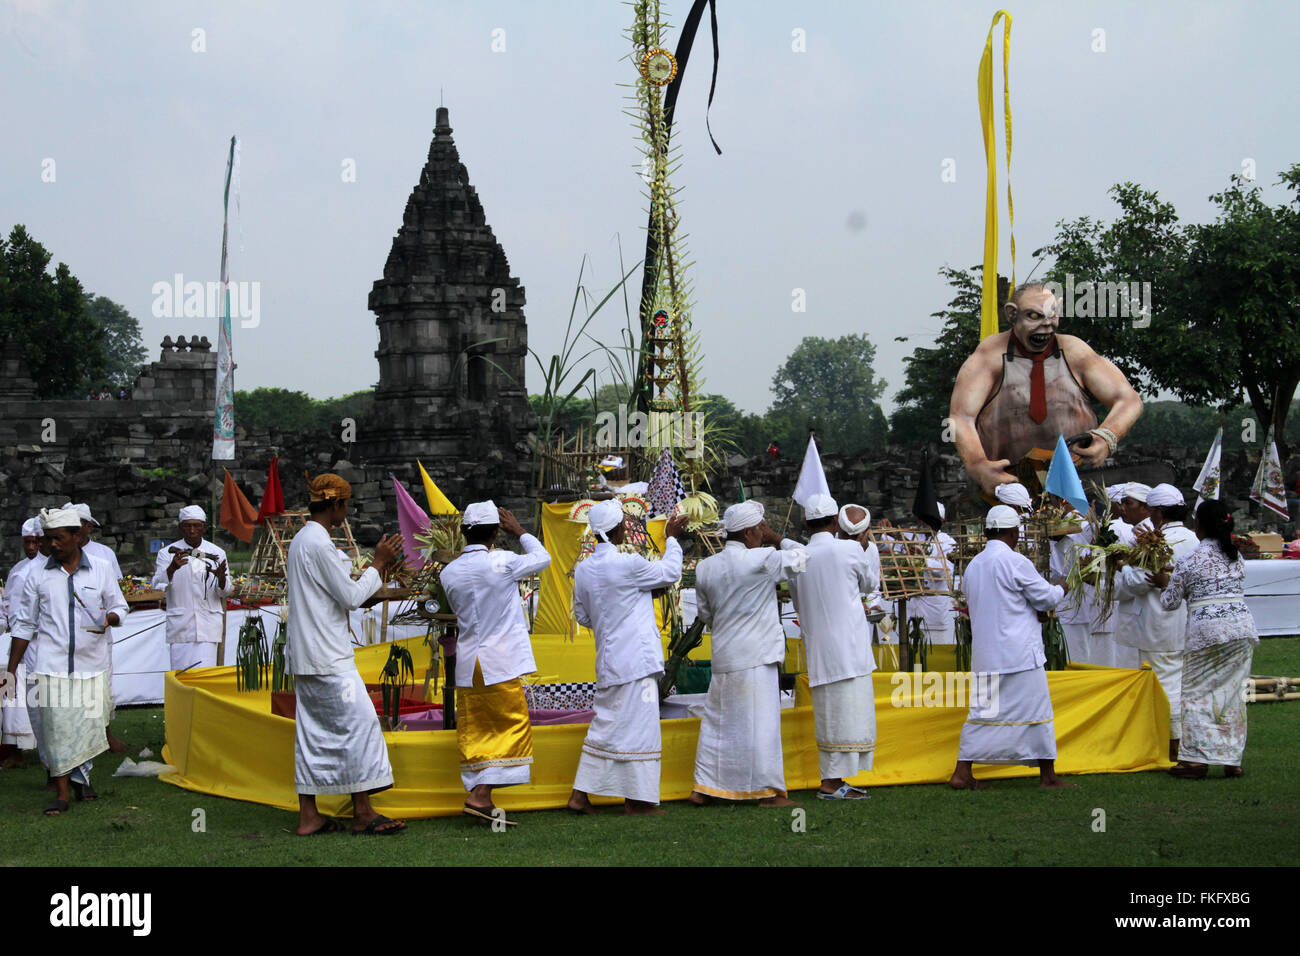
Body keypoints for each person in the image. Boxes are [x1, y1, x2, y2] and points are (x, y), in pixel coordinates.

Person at [285, 473, 406, 836]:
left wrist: (374, 574)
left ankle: (311, 815)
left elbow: (340, 593)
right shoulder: (318, 543)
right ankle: (363, 812)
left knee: (313, 733)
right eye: (346, 505)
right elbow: (352, 598)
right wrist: (379, 563)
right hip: (327, 656)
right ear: (337, 505)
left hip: (309, 654)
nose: (347, 511)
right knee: (361, 725)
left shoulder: (303, 540)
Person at [949, 281, 1143, 495]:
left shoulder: (1074, 351)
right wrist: (978, 465)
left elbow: (1129, 400)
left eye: (1052, 314)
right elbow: (960, 418)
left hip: (1076, 485)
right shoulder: (989, 357)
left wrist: (1106, 437)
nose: (1047, 325)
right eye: (1034, 316)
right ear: (1012, 314)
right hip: (1008, 488)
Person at [567, 500, 687, 816]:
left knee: (608, 725)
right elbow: (671, 571)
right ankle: (639, 802)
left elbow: (583, 616)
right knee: (640, 728)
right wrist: (672, 537)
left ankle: (582, 796)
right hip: (636, 660)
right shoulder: (629, 563)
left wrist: (619, 611)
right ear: (620, 529)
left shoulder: (584, 569)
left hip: (610, 659)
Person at [5, 508, 128, 815]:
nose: (52, 545)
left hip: (92, 664)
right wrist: (11, 671)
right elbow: (23, 626)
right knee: (57, 729)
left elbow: (120, 606)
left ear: (77, 537)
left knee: (89, 726)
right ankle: (61, 793)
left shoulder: (100, 569)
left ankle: (81, 777)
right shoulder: (35, 574)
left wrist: (110, 618)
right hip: (50, 666)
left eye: (58, 539)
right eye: (48, 539)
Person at [438, 501, 552, 826]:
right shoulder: (502, 562)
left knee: (477, 730)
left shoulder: (449, 572)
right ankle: (480, 794)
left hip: (468, 662)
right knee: (512, 725)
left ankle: (481, 797)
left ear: (462, 532)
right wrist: (520, 532)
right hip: (499, 661)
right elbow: (543, 559)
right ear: (495, 532)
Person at [948, 505, 1073, 790]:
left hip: (987, 655)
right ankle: (1048, 776)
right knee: (1037, 712)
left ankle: (963, 771)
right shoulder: (1015, 562)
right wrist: (1063, 586)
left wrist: (1033, 611)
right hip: (1019, 654)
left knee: (982, 713)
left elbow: (997, 604)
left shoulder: (973, 566)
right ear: (1014, 532)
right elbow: (1047, 598)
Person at [689, 501, 805, 808]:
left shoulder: (705, 567)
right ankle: (767, 791)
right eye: (760, 528)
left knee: (718, 724)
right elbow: (806, 557)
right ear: (752, 531)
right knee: (761, 725)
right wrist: (778, 538)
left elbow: (706, 613)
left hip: (725, 653)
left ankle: (703, 788)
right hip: (756, 655)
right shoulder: (763, 558)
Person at [1151, 500, 1259, 779]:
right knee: (1233, 695)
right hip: (1241, 629)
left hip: (1206, 633)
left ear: (1198, 525)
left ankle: (1196, 761)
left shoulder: (1189, 560)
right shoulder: (1237, 557)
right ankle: (1231, 759)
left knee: (1198, 694)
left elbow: (1170, 603)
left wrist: (1165, 582)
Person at [785, 493, 880, 800]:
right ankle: (831, 783)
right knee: (847, 714)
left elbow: (799, 602)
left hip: (820, 650)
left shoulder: (799, 557)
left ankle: (832, 780)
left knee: (830, 715)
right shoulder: (851, 549)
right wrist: (864, 546)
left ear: (805, 522)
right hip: (850, 648)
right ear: (836, 520)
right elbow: (869, 586)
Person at [1112, 483, 1198, 761]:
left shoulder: (1158, 540)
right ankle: (1177, 741)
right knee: (1179, 681)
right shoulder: (1194, 539)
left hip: (1159, 624)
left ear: (1159, 512)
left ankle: (1174, 746)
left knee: (1166, 683)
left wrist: (1123, 566)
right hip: (1186, 622)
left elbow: (1139, 583)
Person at [61, 502, 125, 754]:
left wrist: (110, 616)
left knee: (102, 685)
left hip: (97, 634)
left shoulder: (103, 555)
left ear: (88, 527)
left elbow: (117, 595)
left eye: (83, 525)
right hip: (65, 636)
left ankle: (104, 733)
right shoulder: (56, 556)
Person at [152, 506, 233, 671]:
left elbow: (225, 591)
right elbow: (157, 587)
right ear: (181, 527)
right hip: (181, 627)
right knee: (182, 678)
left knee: (205, 677)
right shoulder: (166, 553)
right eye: (187, 525)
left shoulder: (216, 553)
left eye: (197, 525)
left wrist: (221, 579)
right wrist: (172, 568)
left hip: (207, 626)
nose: (192, 530)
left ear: (204, 527)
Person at [1, 518, 43, 766]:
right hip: (21, 640)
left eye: (35, 542)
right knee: (16, 697)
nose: (31, 547)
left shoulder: (48, 567)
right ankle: (15, 749)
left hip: (43, 641)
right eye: (27, 542)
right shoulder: (18, 569)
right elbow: (12, 609)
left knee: (42, 696)